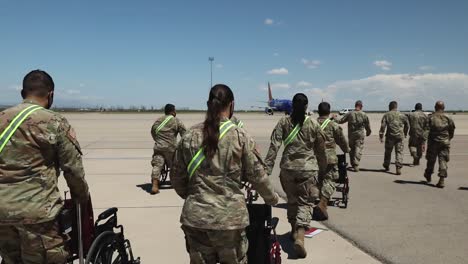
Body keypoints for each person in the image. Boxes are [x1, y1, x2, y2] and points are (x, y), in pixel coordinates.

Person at [171, 84, 278, 264]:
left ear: (208, 104)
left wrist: (195, 197)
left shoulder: (189, 136)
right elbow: (258, 176)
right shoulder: (241, 136)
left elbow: (177, 178)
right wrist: (272, 198)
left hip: (196, 219)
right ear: (232, 105)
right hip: (230, 222)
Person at [0, 70, 89, 264]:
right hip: (37, 215)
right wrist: (81, 200)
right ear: (51, 95)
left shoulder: (2, 118)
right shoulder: (53, 121)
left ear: (22, 93)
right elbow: (73, 170)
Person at [264, 93, 326, 258]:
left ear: (292, 105)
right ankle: (299, 233)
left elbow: (274, 147)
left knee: (292, 201)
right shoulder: (313, 124)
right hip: (308, 170)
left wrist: (266, 171)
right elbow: (321, 152)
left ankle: (293, 229)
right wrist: (323, 171)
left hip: (288, 171)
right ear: (306, 107)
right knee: (305, 203)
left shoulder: (283, 122)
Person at [314, 102, 350, 221]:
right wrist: (347, 149)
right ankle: (323, 203)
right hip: (329, 158)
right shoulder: (333, 125)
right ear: (329, 112)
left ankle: (315, 197)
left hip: (314, 157)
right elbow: (342, 141)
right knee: (330, 179)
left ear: (318, 111)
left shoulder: (311, 124)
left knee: (319, 178)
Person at [150, 104, 186, 194]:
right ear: (173, 111)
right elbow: (184, 134)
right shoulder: (176, 121)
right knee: (175, 165)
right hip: (171, 148)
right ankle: (177, 182)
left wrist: (158, 140)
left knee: (157, 165)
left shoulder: (158, 120)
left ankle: (155, 185)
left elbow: (153, 131)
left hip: (158, 147)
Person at [424, 101, 455, 188]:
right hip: (444, 142)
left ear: (435, 107)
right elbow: (452, 130)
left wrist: (423, 141)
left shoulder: (430, 117)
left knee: (431, 160)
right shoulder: (449, 117)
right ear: (444, 107)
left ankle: (428, 174)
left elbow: (426, 130)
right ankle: (441, 179)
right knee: (443, 160)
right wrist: (448, 138)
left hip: (433, 142)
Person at [337, 100, 371, 172]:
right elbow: (367, 125)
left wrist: (334, 119)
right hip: (359, 135)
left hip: (351, 135)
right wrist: (368, 132)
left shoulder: (350, 114)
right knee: (358, 149)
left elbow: (341, 121)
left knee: (352, 149)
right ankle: (355, 164)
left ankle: (353, 163)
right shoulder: (364, 114)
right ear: (361, 106)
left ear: (355, 105)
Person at [379, 101, 409, 175]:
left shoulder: (387, 115)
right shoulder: (402, 115)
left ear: (390, 106)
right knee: (399, 152)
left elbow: (383, 126)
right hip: (399, 136)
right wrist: (405, 133)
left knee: (388, 151)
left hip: (390, 136)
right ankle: (398, 167)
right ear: (396, 106)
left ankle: (386, 165)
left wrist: (381, 135)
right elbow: (407, 125)